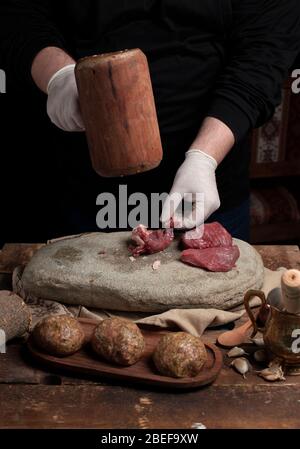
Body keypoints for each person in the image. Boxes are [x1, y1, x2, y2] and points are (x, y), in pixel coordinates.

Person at [1, 0, 299, 242]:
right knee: (72, 315)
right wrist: (57, 75)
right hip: (76, 187)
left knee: (217, 311)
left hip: (205, 192)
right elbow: (20, 14)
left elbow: (264, 49)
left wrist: (203, 158)